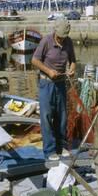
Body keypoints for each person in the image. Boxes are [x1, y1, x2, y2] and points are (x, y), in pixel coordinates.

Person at [31, 17, 76, 161]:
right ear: (55, 32)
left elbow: (73, 61)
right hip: (46, 84)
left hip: (61, 84)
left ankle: (61, 147)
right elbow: (34, 60)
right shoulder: (46, 41)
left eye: (64, 37)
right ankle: (49, 151)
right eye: (60, 37)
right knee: (46, 117)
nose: (62, 40)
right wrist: (48, 71)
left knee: (61, 117)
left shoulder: (68, 42)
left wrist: (72, 69)